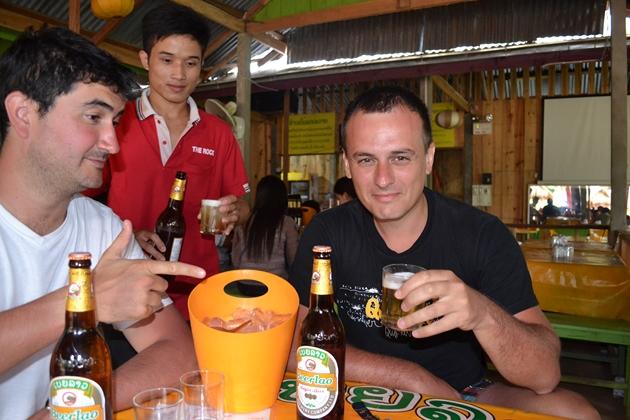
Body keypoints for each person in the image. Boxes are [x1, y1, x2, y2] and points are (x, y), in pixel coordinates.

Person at [288, 86, 599, 419]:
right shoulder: (327, 233)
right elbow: (293, 347)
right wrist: (410, 377)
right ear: (347, 165)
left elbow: (544, 376)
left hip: (462, 394)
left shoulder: (482, 234)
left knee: (576, 411)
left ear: (429, 158)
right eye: (366, 159)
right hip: (363, 386)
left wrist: (481, 313)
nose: (383, 178)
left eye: (400, 157)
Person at [0, 27, 208, 419]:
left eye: (114, 121)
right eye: (93, 116)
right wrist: (84, 300)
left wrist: (70, 410)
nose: (112, 143)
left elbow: (178, 351)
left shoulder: (103, 228)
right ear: (23, 114)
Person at [89, 2, 250, 317]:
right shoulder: (116, 123)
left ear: (201, 66)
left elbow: (243, 203)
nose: (179, 74)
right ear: (145, 60)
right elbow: (82, 202)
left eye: (191, 63)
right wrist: (128, 237)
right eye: (166, 60)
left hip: (197, 295)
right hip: (123, 293)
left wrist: (235, 212)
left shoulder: (218, 133)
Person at [231, 175, 299, 280]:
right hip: (276, 286)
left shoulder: (245, 220)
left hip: (244, 284)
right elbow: (294, 261)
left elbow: (235, 261)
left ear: (258, 196)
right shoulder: (286, 223)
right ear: (283, 197)